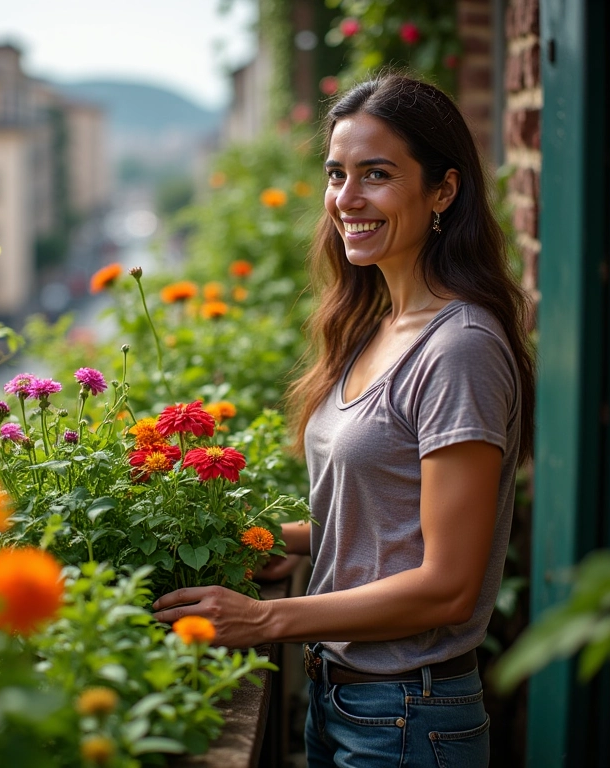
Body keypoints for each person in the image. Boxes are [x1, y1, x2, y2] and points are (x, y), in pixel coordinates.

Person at [153, 72, 535, 767]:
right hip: (345, 703)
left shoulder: (460, 348)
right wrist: (279, 538)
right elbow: (393, 516)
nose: (346, 199)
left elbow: (447, 584)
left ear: (443, 190)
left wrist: (267, 617)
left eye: (377, 174)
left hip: (408, 719)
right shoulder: (376, 325)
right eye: (337, 174)